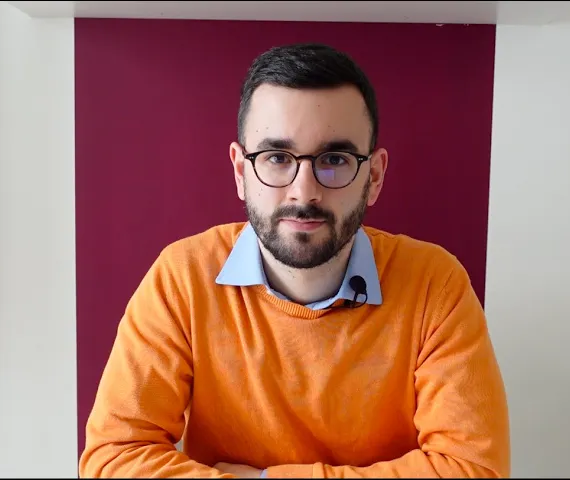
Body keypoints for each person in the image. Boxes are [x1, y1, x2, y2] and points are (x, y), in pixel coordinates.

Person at [78, 43, 510, 479]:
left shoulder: (435, 285)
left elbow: (475, 470)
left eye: (335, 159)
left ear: (374, 176)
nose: (304, 192)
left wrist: (264, 478)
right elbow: (112, 460)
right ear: (241, 172)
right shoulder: (182, 279)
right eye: (277, 158)